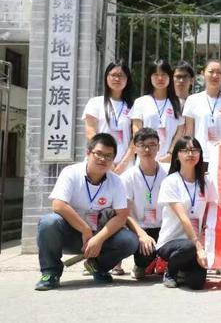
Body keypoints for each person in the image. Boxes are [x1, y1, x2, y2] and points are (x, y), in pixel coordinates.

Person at [34, 133, 139, 290]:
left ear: (113, 159)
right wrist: (85, 230)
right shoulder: (71, 172)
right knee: (48, 222)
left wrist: (99, 239)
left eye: (108, 156)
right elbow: (58, 205)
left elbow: (121, 216)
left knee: (130, 240)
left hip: (99, 236)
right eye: (98, 154)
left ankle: (97, 267)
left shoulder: (116, 181)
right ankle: (50, 273)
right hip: (71, 235)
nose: (103, 159)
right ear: (88, 153)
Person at [156, 136, 219, 289]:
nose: (190, 154)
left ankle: (182, 270)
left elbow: (212, 209)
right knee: (188, 247)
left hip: (195, 243)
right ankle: (170, 271)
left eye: (194, 150)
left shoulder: (207, 181)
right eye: (185, 150)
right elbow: (183, 217)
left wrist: (207, 240)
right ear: (177, 155)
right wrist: (198, 246)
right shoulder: (170, 182)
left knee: (197, 283)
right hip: (172, 242)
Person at [120, 128, 169, 279]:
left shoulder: (169, 173)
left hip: (165, 228)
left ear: (158, 147)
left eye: (152, 145)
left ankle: (164, 263)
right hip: (140, 228)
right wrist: (142, 235)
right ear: (135, 148)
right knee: (144, 256)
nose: (147, 149)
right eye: (142, 145)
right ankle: (142, 264)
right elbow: (125, 213)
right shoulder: (128, 177)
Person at [82, 60, 136, 174]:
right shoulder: (95, 102)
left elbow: (136, 137)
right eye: (113, 75)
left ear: (127, 79)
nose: (117, 79)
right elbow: (91, 132)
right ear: (107, 77)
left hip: (125, 166)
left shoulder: (133, 106)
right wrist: (106, 160)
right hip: (99, 161)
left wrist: (124, 162)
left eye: (121, 75)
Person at [183, 59, 221, 164]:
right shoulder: (192, 100)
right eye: (211, 71)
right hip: (199, 157)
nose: (215, 75)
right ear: (203, 73)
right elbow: (189, 133)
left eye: (219, 72)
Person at [130, 60, 184, 163]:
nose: (160, 78)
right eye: (156, 74)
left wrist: (171, 153)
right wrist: (145, 151)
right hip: (145, 158)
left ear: (170, 77)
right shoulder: (141, 102)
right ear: (150, 77)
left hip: (168, 160)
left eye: (164, 74)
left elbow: (180, 131)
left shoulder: (178, 103)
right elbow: (136, 130)